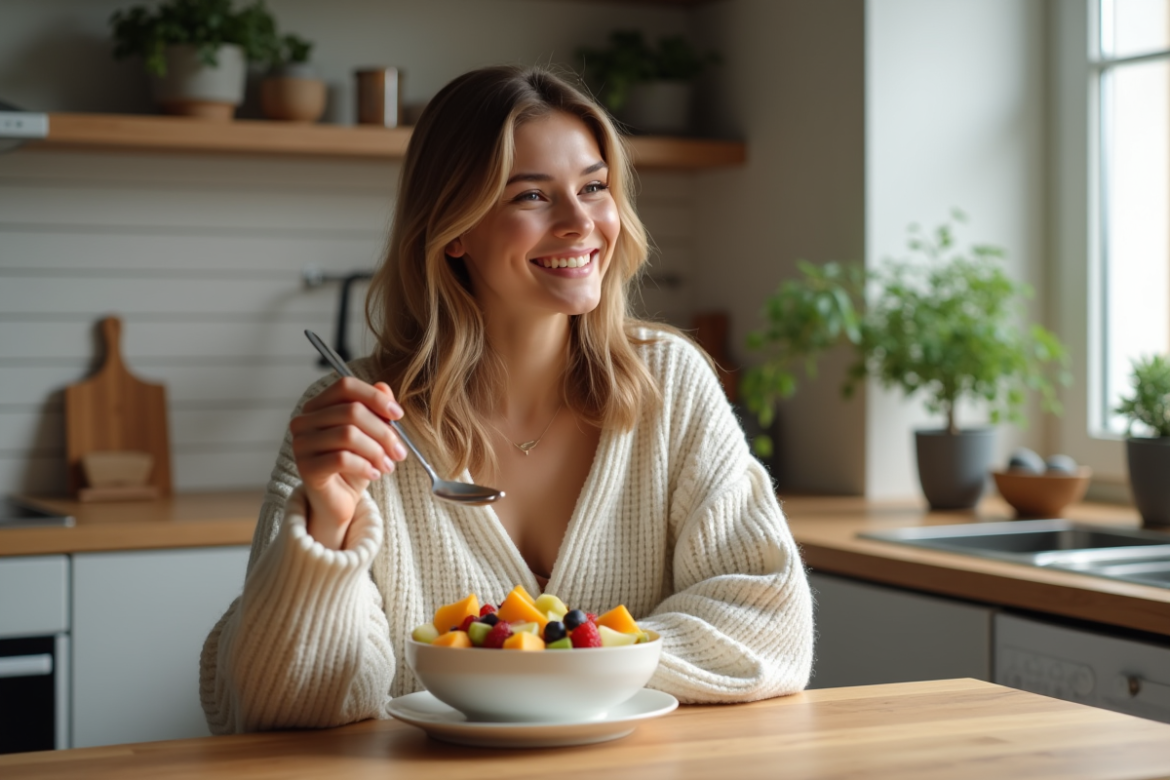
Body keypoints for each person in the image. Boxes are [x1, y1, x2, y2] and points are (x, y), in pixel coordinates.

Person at [200, 65, 813, 735]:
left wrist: (536, 666)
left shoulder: (670, 382)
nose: (580, 222)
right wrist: (328, 521)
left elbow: (770, 626)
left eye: (594, 187)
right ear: (453, 230)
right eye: (532, 196)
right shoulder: (352, 423)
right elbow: (276, 705)